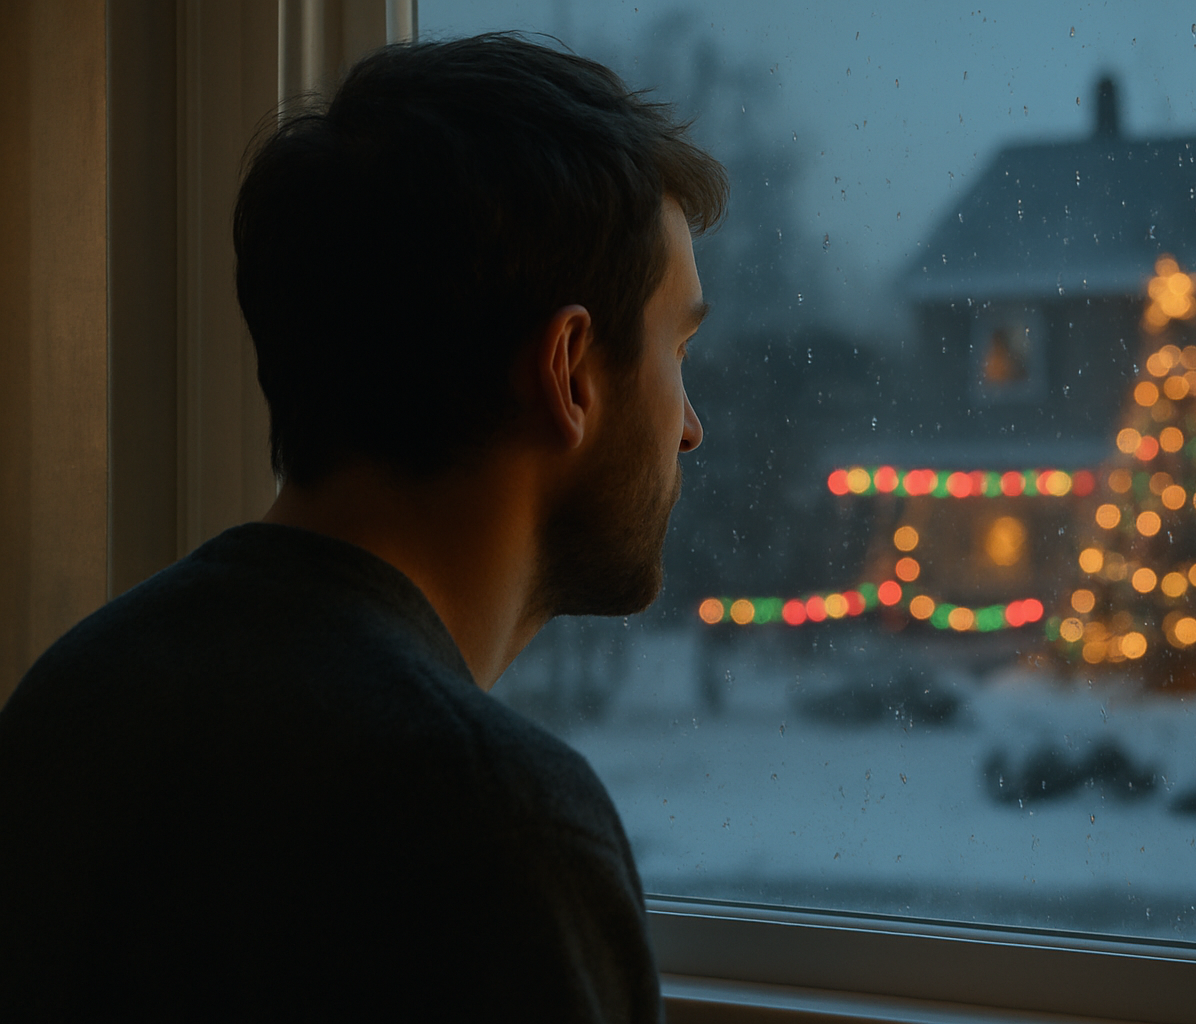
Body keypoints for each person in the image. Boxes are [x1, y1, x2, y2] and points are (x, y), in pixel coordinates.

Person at [0, 33, 726, 1019]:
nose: (690, 428)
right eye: (678, 344)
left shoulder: (73, 698)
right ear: (570, 371)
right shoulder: (490, 824)